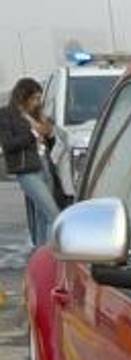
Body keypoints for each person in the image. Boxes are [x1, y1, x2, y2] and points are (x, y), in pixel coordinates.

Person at [0, 78, 61, 246]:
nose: (37, 102)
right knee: (53, 215)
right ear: (23, 96)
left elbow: (48, 144)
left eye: (39, 98)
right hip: (27, 171)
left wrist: (49, 135)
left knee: (42, 217)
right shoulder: (6, 114)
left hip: (45, 167)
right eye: (34, 98)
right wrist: (33, 133)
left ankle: (40, 254)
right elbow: (9, 145)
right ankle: (50, 258)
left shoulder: (37, 115)